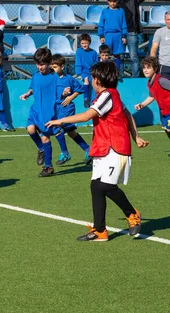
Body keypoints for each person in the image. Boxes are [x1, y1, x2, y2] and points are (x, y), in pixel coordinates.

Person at [46, 61, 148, 242]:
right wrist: (136, 137)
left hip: (115, 147)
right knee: (96, 187)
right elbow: (128, 115)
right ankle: (100, 230)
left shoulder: (107, 95)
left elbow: (87, 116)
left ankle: (132, 213)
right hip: (102, 148)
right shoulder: (110, 95)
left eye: (92, 77)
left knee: (106, 186)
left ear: (98, 79)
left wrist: (60, 120)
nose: (91, 80)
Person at [19, 48, 59, 177]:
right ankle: (41, 149)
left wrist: (66, 93)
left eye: (42, 64)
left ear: (49, 63)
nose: (39, 67)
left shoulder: (55, 77)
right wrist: (28, 93)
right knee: (30, 129)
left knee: (45, 137)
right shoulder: (35, 75)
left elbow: (63, 89)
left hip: (47, 112)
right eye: (37, 64)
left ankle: (48, 166)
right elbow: (32, 88)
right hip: (35, 110)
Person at [50, 54, 92, 166]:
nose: (53, 69)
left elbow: (80, 89)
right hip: (56, 108)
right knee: (71, 132)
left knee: (56, 127)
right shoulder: (51, 78)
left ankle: (64, 153)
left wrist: (70, 97)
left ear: (62, 67)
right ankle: (88, 150)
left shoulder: (69, 79)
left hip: (66, 107)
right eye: (52, 67)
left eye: (55, 67)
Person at [117, 0, 145, 78]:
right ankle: (119, 77)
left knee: (134, 57)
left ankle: (135, 78)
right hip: (120, 34)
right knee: (120, 57)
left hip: (132, 32)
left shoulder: (133, 0)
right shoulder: (116, 3)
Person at [98, 0, 127, 72]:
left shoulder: (121, 11)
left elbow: (123, 24)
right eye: (111, 1)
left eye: (114, 1)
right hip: (108, 35)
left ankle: (117, 73)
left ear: (117, 1)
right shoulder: (104, 11)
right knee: (106, 55)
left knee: (117, 55)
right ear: (107, 1)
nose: (113, 3)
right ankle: (106, 72)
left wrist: (124, 36)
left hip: (118, 36)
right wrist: (101, 36)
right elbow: (101, 25)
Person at [75, 33, 99, 108]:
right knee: (86, 81)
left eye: (86, 43)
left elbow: (96, 64)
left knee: (95, 84)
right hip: (83, 72)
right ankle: (85, 99)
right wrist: (79, 74)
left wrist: (96, 73)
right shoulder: (79, 51)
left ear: (89, 43)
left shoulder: (94, 52)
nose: (84, 45)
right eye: (82, 43)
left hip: (92, 72)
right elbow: (78, 63)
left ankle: (94, 102)